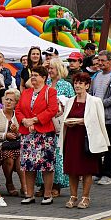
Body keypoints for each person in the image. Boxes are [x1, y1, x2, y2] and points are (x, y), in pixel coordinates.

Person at [60, 72, 110, 209]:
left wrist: (83, 121)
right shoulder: (70, 101)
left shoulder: (95, 101)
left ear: (87, 85)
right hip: (72, 138)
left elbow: (100, 121)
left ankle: (85, 197)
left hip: (88, 139)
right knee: (72, 169)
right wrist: (68, 123)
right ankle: (73, 196)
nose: (77, 85)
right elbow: (65, 119)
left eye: (81, 83)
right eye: (76, 83)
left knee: (87, 169)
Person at [15, 66, 58, 205]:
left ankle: (47, 194)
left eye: (36, 75)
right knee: (28, 164)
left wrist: (35, 119)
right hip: (28, 133)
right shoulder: (26, 92)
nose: (33, 77)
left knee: (46, 164)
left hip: (45, 133)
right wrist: (24, 120)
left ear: (44, 77)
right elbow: (18, 109)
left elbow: (52, 109)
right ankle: (29, 194)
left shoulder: (50, 91)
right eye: (32, 75)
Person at [36, 58, 75, 198]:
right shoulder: (43, 84)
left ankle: (56, 186)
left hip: (59, 124)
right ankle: (43, 185)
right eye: (49, 68)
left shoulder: (66, 85)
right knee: (43, 155)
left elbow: (72, 103)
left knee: (57, 156)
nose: (49, 70)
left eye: (52, 68)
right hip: (44, 124)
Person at [90, 51, 111, 185]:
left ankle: (107, 174)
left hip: (108, 116)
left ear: (110, 61)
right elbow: (91, 92)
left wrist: (97, 104)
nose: (100, 63)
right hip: (94, 116)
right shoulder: (96, 76)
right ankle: (97, 171)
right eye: (99, 60)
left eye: (103, 60)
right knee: (96, 145)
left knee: (108, 146)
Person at [0, 88, 25, 196]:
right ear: (3, 100)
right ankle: (9, 183)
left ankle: (24, 186)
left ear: (16, 102)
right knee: (9, 158)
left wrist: (17, 131)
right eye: (6, 99)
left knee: (21, 158)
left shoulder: (18, 115)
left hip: (16, 145)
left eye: (11, 100)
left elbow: (23, 133)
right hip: (0, 146)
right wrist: (4, 135)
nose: (8, 102)